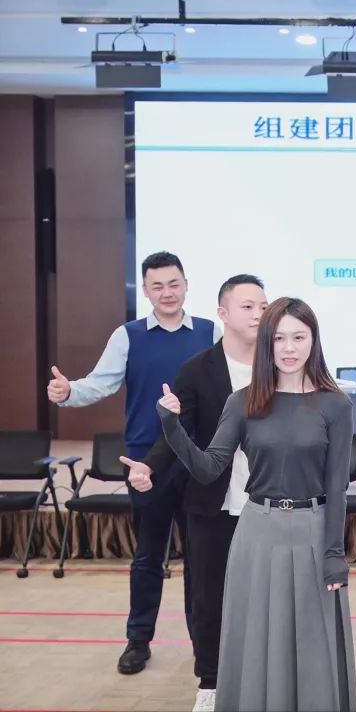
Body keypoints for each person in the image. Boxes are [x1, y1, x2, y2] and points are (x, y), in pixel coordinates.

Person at [142, 297, 356, 712]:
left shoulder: (336, 404)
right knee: (257, 639)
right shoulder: (242, 400)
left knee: (313, 643)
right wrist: (172, 426)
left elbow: (337, 487)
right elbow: (209, 468)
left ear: (314, 341)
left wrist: (334, 553)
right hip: (257, 533)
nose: (289, 348)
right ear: (267, 343)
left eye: (299, 337)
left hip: (313, 534)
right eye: (279, 338)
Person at [46, 251, 217, 675]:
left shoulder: (211, 333)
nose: (167, 293)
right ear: (145, 290)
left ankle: (205, 643)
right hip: (144, 464)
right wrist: (69, 392)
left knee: (201, 559)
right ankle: (138, 640)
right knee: (147, 556)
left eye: (173, 284)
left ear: (186, 285)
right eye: (157, 286)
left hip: (200, 462)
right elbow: (100, 383)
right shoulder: (128, 335)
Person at [126, 274, 267, 712]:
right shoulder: (198, 369)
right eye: (248, 307)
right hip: (212, 502)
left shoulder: (280, 366)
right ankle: (210, 682)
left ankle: (266, 678)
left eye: (263, 307)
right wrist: (149, 466)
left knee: (268, 596)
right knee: (208, 597)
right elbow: (177, 432)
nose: (259, 315)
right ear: (223, 314)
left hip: (268, 502)